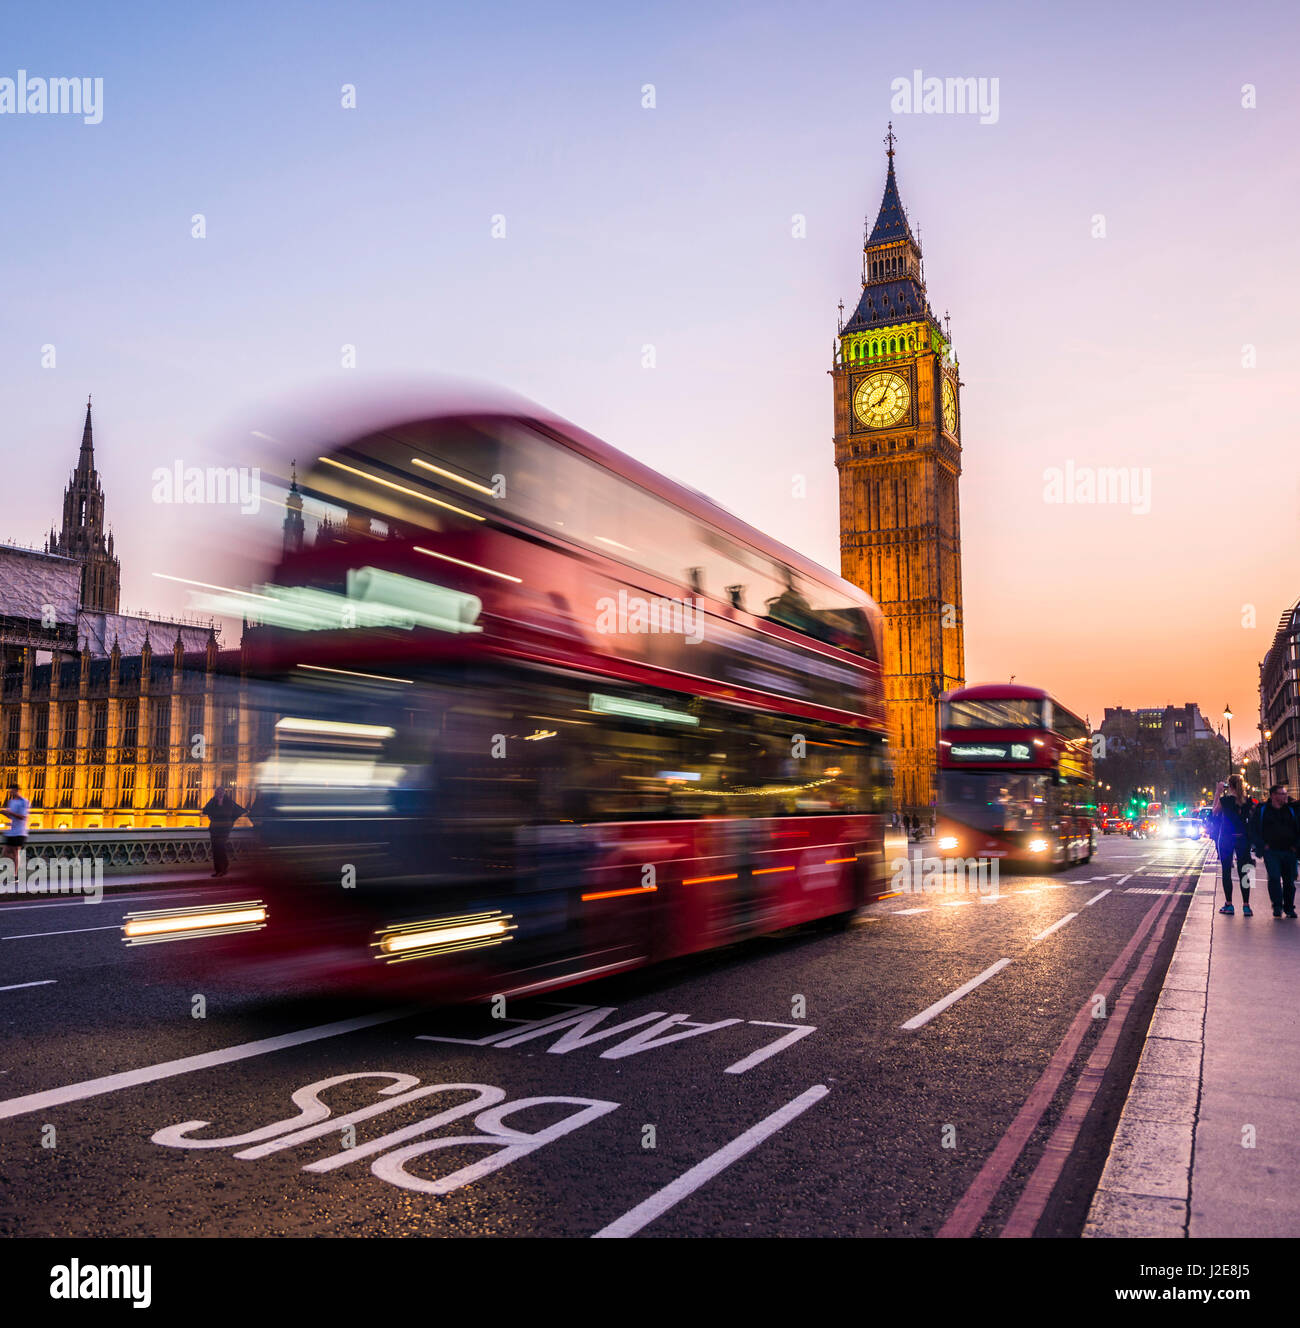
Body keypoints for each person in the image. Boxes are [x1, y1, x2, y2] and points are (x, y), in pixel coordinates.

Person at [1250, 783, 1299, 919]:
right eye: (1282, 794)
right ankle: (1277, 906)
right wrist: (1262, 845)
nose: (1285, 796)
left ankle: (1289, 908)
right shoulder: (1263, 810)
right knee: (1274, 877)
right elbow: (1253, 829)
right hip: (1271, 851)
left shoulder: (1291, 809)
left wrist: (1296, 846)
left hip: (1289, 851)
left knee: (1289, 881)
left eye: (1285, 793)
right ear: (1273, 796)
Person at [1212, 774, 1256, 916]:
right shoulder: (1247, 801)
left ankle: (1229, 904)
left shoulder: (1225, 801)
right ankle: (1246, 905)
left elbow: (1214, 811)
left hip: (1226, 838)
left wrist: (1218, 791)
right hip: (1242, 838)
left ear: (1229, 786)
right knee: (1244, 872)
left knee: (1226, 871)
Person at [202, 784, 249, 878]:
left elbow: (240, 811)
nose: (218, 794)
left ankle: (224, 868)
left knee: (221, 848)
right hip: (214, 829)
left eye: (220, 793)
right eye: (216, 793)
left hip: (224, 829)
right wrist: (214, 802)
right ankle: (218, 870)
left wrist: (231, 821)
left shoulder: (229, 802)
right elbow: (205, 810)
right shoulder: (213, 801)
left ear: (224, 793)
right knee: (215, 850)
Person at [2, 784, 30, 871]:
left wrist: (10, 813)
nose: (10, 792)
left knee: (15, 853)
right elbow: (12, 817)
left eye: (12, 790)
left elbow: (23, 816)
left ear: (16, 790)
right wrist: (4, 813)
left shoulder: (24, 802)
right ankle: (14, 869)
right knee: (5, 853)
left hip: (20, 831)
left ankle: (15, 874)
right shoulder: (11, 802)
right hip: (12, 831)